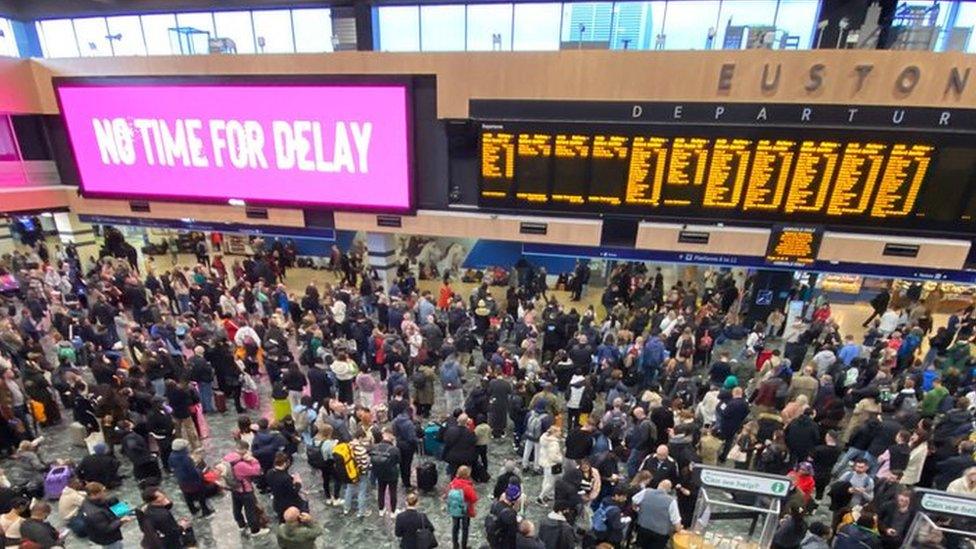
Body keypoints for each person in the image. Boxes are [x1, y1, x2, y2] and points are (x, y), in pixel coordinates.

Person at [223, 439, 269, 537]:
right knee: (250, 510)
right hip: (245, 490)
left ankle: (241, 525)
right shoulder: (240, 465)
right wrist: (253, 460)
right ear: (244, 450)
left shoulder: (227, 458)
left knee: (237, 508)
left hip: (234, 488)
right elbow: (257, 471)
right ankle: (255, 531)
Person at [168, 437, 215, 517]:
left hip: (181, 481)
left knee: (187, 495)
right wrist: (200, 472)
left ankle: (193, 509)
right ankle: (205, 510)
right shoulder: (186, 458)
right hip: (193, 481)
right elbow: (192, 471)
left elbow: (172, 467)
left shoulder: (171, 456)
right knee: (201, 495)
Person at [632, 479, 682, 549]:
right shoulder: (671, 501)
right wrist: (680, 530)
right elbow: (676, 522)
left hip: (643, 528)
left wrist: (638, 510)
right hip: (659, 534)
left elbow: (634, 500)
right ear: (669, 490)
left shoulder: (646, 491)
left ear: (659, 485)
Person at [81, 482, 132, 549]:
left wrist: (116, 504)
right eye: (102, 491)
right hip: (108, 540)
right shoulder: (95, 514)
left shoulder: (88, 501)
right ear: (95, 494)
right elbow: (106, 529)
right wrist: (121, 521)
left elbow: (102, 503)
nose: (105, 493)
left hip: (99, 533)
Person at [266, 452, 307, 520]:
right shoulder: (286, 478)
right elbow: (294, 491)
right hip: (289, 504)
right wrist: (298, 482)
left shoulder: (269, 472)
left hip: (277, 503)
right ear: (285, 463)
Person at [371, 428, 402, 517]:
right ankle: (393, 512)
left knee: (381, 490)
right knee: (392, 492)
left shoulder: (374, 446)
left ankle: (381, 509)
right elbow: (398, 461)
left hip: (379, 473)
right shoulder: (394, 449)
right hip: (392, 474)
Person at [447, 465, 479, 549]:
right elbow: (474, 499)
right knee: (465, 528)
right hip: (465, 510)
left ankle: (455, 545)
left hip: (454, 509)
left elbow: (448, 493)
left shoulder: (453, 483)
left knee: (455, 527)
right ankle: (464, 546)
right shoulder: (467, 486)